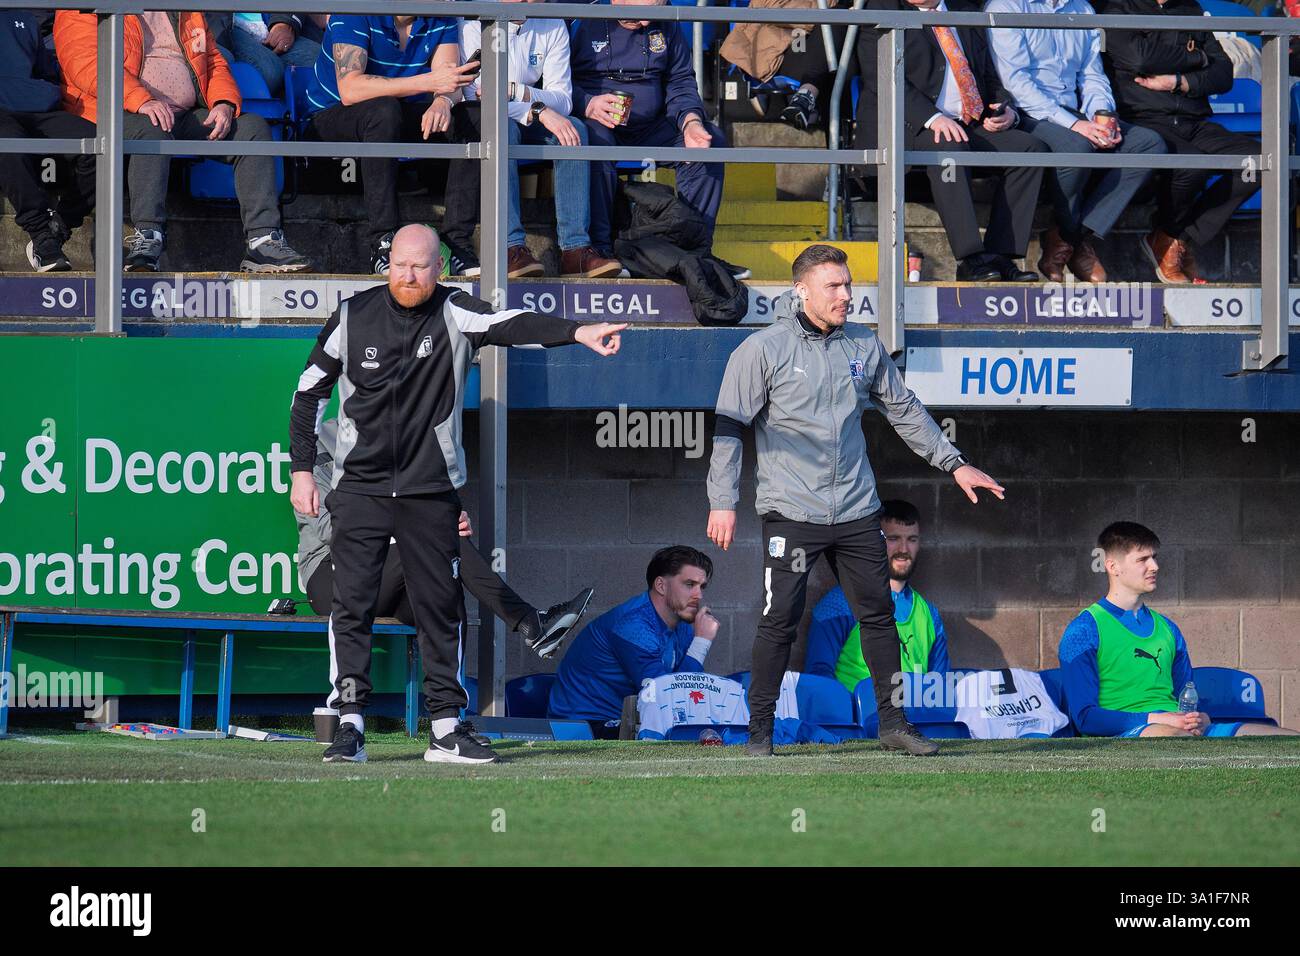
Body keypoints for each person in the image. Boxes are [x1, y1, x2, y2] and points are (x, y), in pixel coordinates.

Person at [288, 224, 626, 765]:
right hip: (361, 490)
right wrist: (302, 471)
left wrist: (577, 331)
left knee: (442, 609)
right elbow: (307, 394)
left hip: (430, 491)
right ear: (388, 263)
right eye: (400, 264)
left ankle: (446, 729)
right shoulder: (352, 316)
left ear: (439, 268)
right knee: (351, 607)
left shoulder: (455, 311)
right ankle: (349, 725)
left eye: (421, 266)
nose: (409, 275)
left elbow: (510, 324)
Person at [705, 244, 1005, 757]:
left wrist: (955, 463)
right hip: (790, 513)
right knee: (779, 620)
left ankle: (893, 724)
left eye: (849, 284)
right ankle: (760, 732)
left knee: (879, 614)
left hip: (856, 511)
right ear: (802, 290)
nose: (847, 295)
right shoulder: (761, 350)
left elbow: (905, 412)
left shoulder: (864, 346)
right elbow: (730, 425)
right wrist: (722, 500)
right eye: (834, 286)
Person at [296, 417, 595, 658]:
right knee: (437, 540)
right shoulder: (322, 442)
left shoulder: (404, 443)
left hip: (388, 580)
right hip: (330, 578)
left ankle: (449, 713)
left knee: (448, 588)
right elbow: (329, 529)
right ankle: (531, 623)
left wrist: (450, 516)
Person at [52, 9, 314, 273]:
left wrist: (223, 102)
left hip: (183, 113)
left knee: (252, 128)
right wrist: (141, 101)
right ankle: (147, 237)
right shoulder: (83, 5)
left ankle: (263, 240)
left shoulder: (184, 7)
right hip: (113, 110)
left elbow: (212, 60)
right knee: (151, 129)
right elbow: (84, 62)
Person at [857, 0, 1045, 282]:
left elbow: (986, 73)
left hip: (968, 121)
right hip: (909, 123)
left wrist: (1002, 108)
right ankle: (970, 259)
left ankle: (1001, 255)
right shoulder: (883, 9)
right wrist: (932, 117)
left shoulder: (964, 12)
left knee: (1030, 150)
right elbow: (882, 77)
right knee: (949, 146)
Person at [984, 0, 1168, 282]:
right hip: (1027, 112)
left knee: (1148, 145)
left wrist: (1101, 116)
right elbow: (1015, 83)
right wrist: (1075, 125)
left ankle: (1066, 235)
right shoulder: (1006, 6)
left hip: (1075, 111)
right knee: (1076, 148)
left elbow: (1091, 73)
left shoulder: (1083, 9)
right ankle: (1077, 242)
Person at [1059, 522, 1297, 737]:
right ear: (1113, 566)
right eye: (1142, 560)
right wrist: (1157, 719)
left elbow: (1188, 701)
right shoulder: (1084, 630)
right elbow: (1085, 719)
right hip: (1130, 734)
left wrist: (1201, 718)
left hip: (1176, 728)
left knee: (1282, 738)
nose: (1154, 566)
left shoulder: (1168, 629)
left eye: (1154, 557)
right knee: (1175, 738)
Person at [440, 0, 624, 280]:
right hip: (488, 119)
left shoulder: (551, 23)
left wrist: (518, 93)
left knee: (574, 129)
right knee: (503, 129)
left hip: (526, 112)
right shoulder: (470, 23)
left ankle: (575, 250)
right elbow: (475, 96)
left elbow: (562, 99)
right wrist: (536, 111)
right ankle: (510, 248)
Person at [301, 12, 478, 274]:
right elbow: (351, 90)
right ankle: (383, 242)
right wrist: (428, 83)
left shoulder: (442, 14)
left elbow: (448, 80)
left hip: (395, 113)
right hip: (330, 117)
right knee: (384, 111)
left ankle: (457, 244)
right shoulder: (355, 11)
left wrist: (443, 101)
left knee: (474, 117)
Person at [1103, 0, 1260, 284]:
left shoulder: (1190, 8)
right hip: (1143, 119)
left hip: (1193, 120)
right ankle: (1168, 242)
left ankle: (1174, 239)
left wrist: (1178, 81)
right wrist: (1197, 58)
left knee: (1260, 161)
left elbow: (1223, 73)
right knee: (1191, 164)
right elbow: (1138, 58)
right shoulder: (1119, 6)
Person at [569, 0, 730, 262]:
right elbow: (554, 80)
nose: (646, 23)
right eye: (639, 15)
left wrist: (690, 121)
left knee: (709, 144)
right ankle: (600, 249)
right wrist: (586, 104)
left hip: (654, 124)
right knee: (594, 142)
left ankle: (696, 252)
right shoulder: (581, 19)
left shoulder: (665, 23)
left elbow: (681, 82)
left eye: (654, 11)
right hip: (598, 120)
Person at [548, 546, 720, 737]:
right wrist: (701, 642)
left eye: (702, 586)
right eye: (689, 584)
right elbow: (669, 699)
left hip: (629, 719)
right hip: (583, 724)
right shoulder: (632, 626)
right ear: (661, 586)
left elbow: (688, 693)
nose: (699, 595)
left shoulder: (683, 624)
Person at [804, 499, 950, 692]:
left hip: (914, 720)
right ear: (874, 541)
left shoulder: (930, 615)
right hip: (859, 720)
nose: (904, 550)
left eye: (912, 539)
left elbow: (940, 690)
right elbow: (818, 681)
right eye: (893, 539)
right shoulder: (840, 603)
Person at [0, 9, 96, 272]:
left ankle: (57, 228)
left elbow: (44, 72)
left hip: (35, 108)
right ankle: (42, 235)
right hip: (4, 117)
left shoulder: (24, 16)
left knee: (103, 144)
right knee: (7, 143)